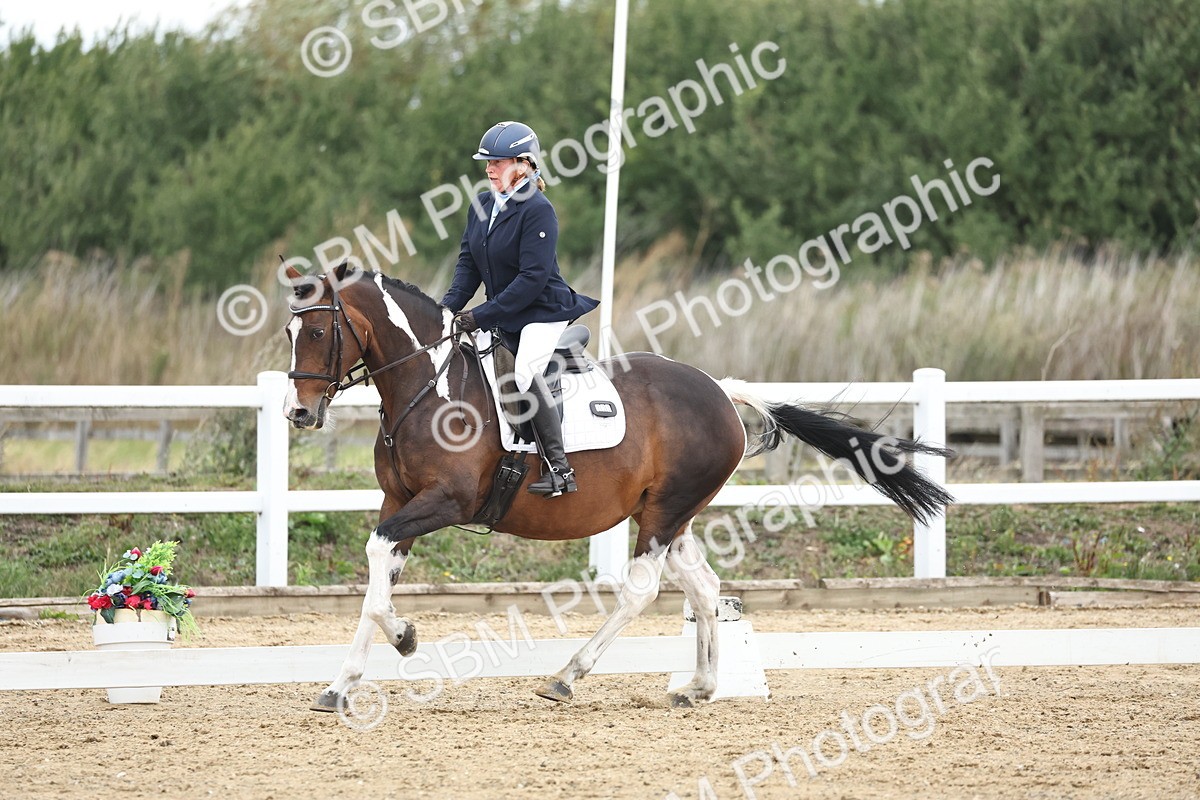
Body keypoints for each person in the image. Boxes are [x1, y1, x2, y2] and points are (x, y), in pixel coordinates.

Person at [441, 121, 599, 497]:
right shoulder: (481, 205)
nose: (489, 168)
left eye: (497, 161)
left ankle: (560, 470)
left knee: (527, 374)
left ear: (524, 164)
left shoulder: (538, 210)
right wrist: (445, 312)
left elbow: (531, 279)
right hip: (503, 312)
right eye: (487, 162)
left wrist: (480, 316)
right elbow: (468, 267)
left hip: (541, 311)